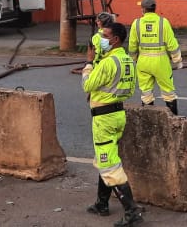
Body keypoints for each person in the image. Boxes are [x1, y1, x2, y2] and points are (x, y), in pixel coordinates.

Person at [82, 22, 143, 226]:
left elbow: (87, 85)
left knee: (109, 165)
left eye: (106, 35)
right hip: (118, 114)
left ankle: (132, 212)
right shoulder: (127, 61)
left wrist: (89, 63)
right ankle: (102, 204)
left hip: (104, 119)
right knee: (106, 159)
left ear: (115, 39)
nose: (102, 39)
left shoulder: (108, 63)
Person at [128, 0, 182, 115]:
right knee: (168, 93)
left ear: (143, 9)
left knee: (146, 93)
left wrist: (133, 60)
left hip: (143, 62)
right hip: (161, 62)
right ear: (154, 8)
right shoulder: (163, 22)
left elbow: (132, 46)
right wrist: (177, 60)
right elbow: (172, 43)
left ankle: (148, 121)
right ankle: (173, 121)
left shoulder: (136, 23)